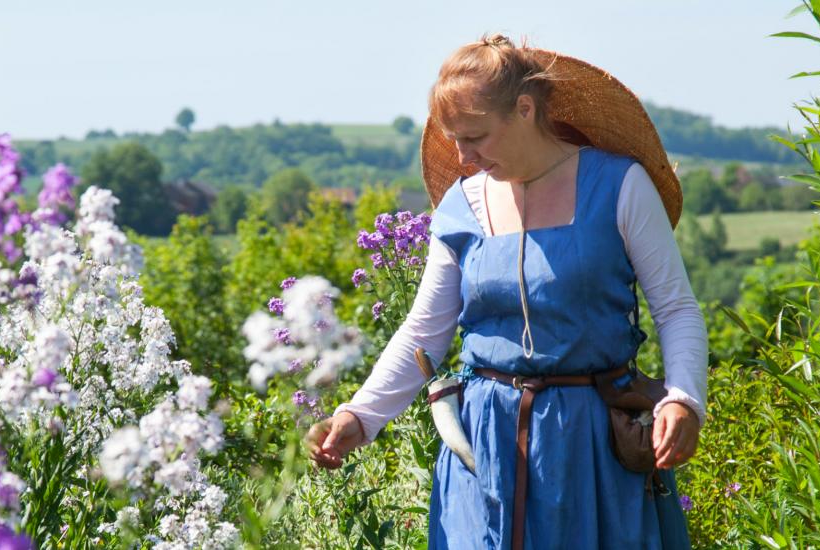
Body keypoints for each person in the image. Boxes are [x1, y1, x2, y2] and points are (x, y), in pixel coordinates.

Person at [302, 34, 709, 549]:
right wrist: (359, 417)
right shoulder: (461, 205)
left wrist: (684, 401)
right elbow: (424, 332)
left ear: (523, 109)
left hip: (592, 445)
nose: (462, 156)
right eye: (454, 138)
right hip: (484, 446)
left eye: (475, 136)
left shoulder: (620, 186)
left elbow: (675, 309)